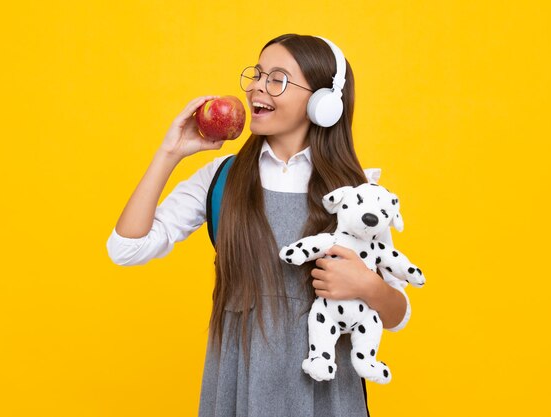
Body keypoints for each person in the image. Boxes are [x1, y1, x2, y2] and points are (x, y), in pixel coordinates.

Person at [107, 33, 412, 417]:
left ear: (322, 103)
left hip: (327, 394)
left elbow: (396, 314)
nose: (256, 88)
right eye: (257, 74)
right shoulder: (222, 178)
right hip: (239, 380)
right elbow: (126, 248)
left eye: (277, 79)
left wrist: (368, 286)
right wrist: (170, 152)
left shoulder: (357, 193)